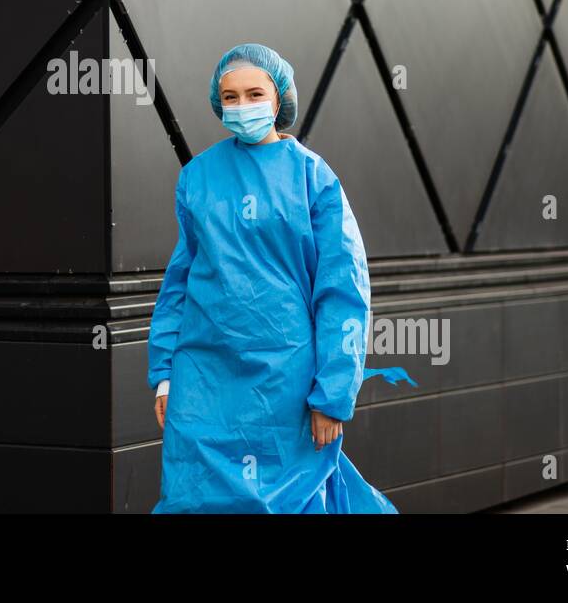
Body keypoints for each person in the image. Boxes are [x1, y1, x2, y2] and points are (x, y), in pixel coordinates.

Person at [147, 42, 398, 513]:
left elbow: (342, 292)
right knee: (194, 498)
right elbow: (179, 284)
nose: (242, 106)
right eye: (231, 96)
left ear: (279, 97)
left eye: (254, 93)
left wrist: (333, 395)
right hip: (203, 383)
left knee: (290, 499)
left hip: (286, 384)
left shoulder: (313, 179)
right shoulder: (198, 177)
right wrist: (164, 375)